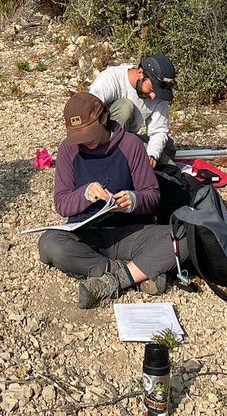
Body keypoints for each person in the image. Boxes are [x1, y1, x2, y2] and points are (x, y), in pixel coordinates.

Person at [37, 92, 188, 308]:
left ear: (103, 119)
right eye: (77, 135)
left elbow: (152, 196)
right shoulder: (68, 149)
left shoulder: (131, 145)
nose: (83, 141)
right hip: (86, 234)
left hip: (131, 232)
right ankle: (133, 273)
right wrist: (84, 193)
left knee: (182, 236)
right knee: (50, 243)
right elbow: (62, 203)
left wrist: (133, 201)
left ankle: (114, 279)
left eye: (87, 133)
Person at [88, 55, 176, 167]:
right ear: (140, 73)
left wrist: (152, 155)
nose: (153, 96)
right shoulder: (111, 78)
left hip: (128, 136)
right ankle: (108, 156)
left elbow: (159, 130)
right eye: (151, 89)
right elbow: (88, 110)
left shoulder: (158, 94)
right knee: (125, 107)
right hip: (103, 137)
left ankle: (128, 152)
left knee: (168, 147)